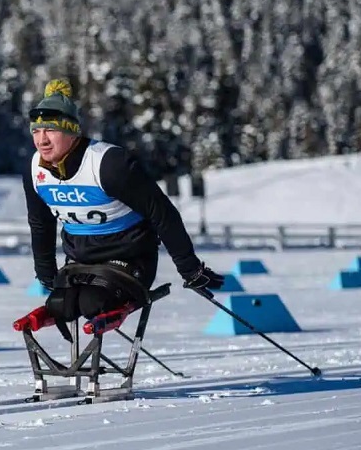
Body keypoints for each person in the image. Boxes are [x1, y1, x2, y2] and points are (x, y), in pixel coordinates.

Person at [22, 78, 223, 331]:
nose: (42, 140)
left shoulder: (108, 164)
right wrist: (46, 273)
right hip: (80, 261)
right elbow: (40, 222)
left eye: (51, 130)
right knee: (61, 303)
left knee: (91, 303)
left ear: (72, 131)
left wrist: (190, 270)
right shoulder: (34, 170)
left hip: (130, 259)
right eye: (36, 132)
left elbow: (162, 212)